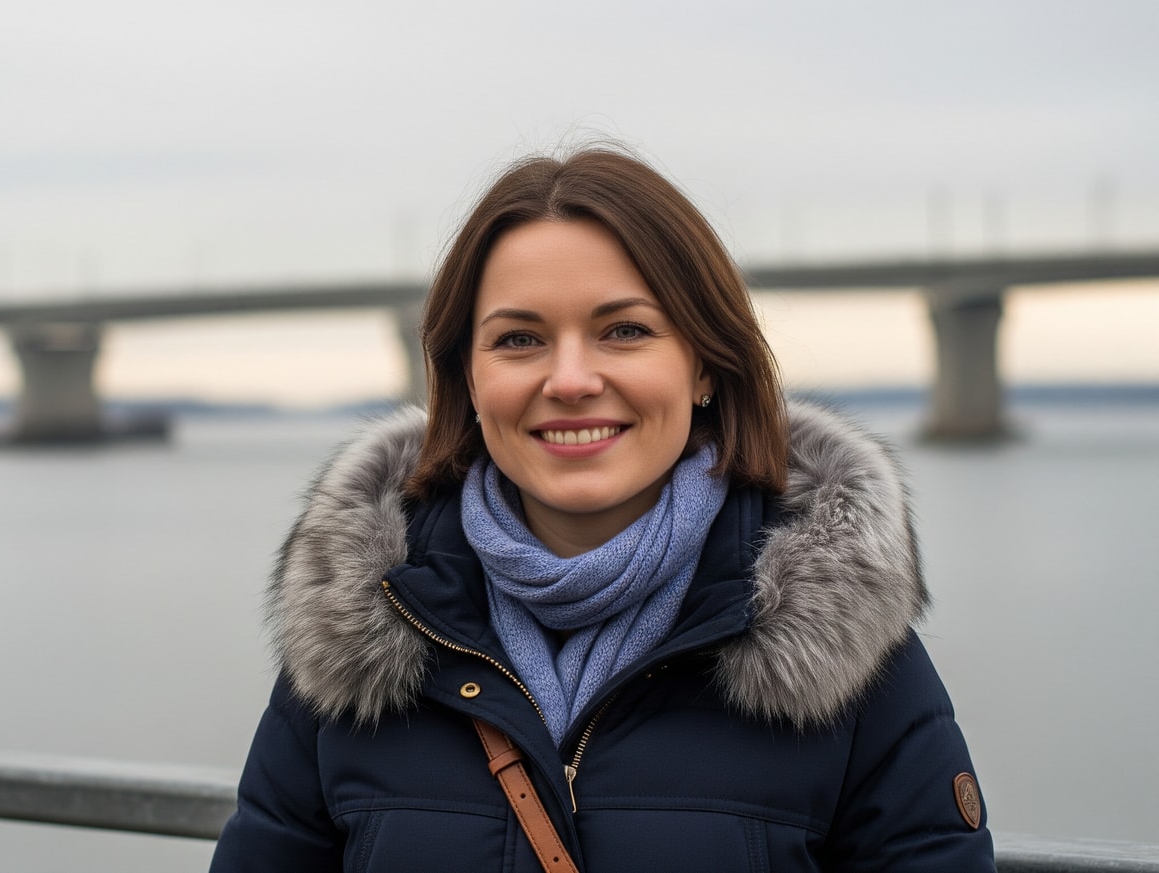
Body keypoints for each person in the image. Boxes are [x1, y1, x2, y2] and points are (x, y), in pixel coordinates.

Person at [209, 146, 993, 871]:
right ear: (468, 378)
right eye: (519, 340)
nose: (572, 379)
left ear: (704, 367)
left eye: (624, 330)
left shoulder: (839, 653)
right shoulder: (358, 636)